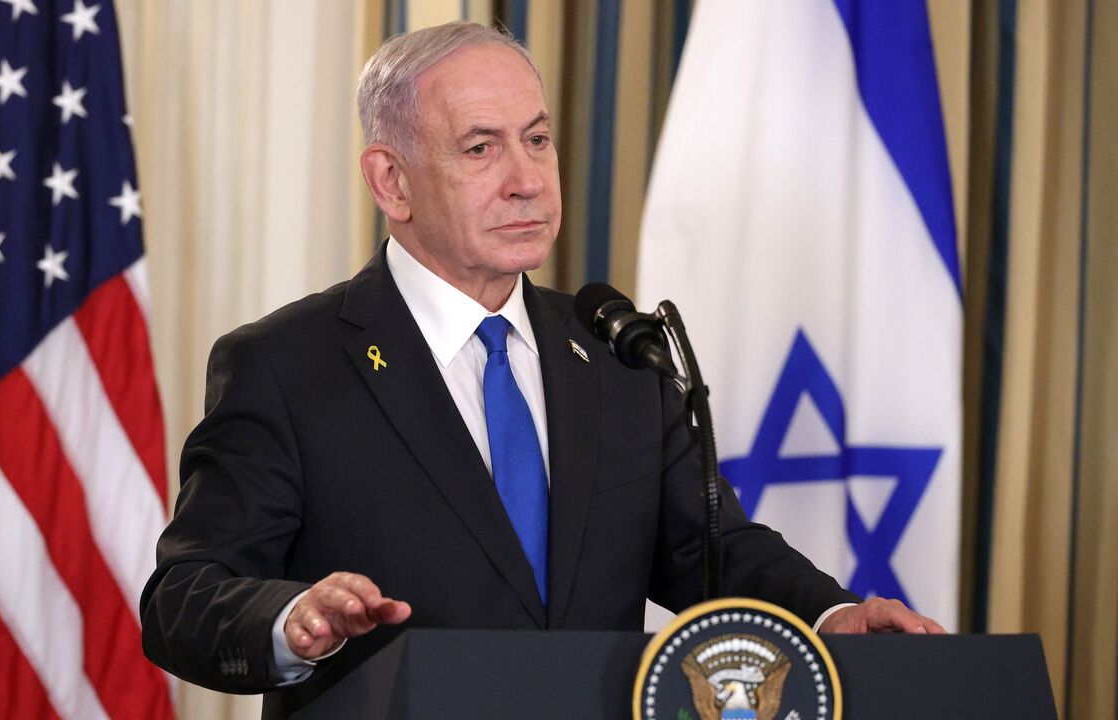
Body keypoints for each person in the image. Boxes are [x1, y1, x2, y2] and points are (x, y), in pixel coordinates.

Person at [139, 21, 943, 717]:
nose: (527, 180)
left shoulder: (615, 349)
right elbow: (183, 598)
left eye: (537, 138)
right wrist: (289, 620)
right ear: (392, 180)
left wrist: (831, 616)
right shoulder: (288, 365)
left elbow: (710, 549)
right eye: (481, 147)